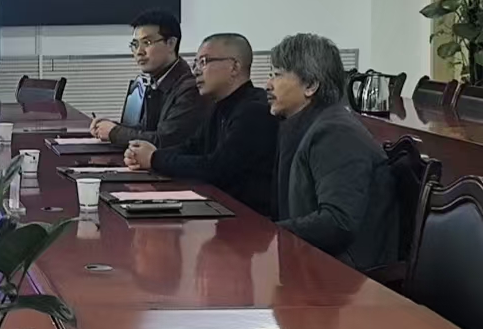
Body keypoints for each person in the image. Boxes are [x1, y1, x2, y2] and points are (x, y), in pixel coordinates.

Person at [266, 33, 398, 270]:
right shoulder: (306, 124)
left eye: (277, 74)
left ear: (311, 85)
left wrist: (269, 232)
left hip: (347, 277)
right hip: (312, 262)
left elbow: (338, 222)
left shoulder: (335, 133)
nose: (268, 84)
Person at [123, 34, 278, 216]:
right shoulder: (219, 105)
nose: (196, 71)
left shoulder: (254, 110)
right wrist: (148, 154)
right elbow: (193, 147)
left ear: (234, 67)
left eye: (204, 62)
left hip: (251, 220)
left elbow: (216, 168)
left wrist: (154, 159)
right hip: (222, 210)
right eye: (195, 64)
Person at [91, 10, 209, 148]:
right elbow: (147, 130)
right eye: (135, 45)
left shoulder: (190, 89)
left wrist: (115, 132)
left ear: (171, 44)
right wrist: (111, 127)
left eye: (147, 42)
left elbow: (164, 141)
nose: (139, 52)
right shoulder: (158, 80)